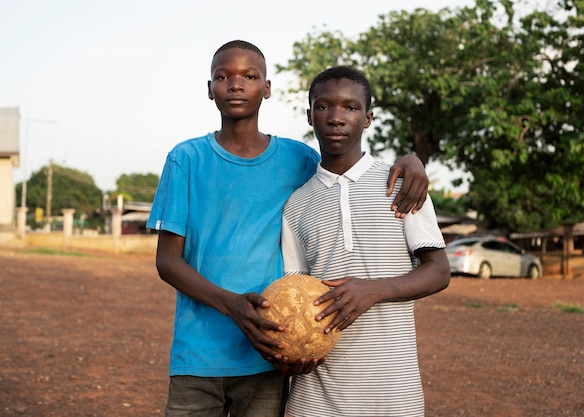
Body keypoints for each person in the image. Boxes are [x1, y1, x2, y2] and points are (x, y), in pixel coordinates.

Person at [146, 40, 431, 417]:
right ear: (209, 88)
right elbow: (167, 261)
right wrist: (233, 305)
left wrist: (411, 160)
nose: (235, 84)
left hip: (269, 354)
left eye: (249, 76)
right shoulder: (186, 158)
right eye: (223, 76)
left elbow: (343, 169)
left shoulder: (299, 159)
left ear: (267, 88)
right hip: (198, 354)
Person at [281, 66, 451, 417]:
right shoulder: (295, 205)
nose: (337, 117)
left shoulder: (403, 184)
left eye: (351, 107)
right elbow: (295, 292)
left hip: (392, 390)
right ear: (309, 115)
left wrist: (375, 289)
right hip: (316, 395)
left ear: (368, 118)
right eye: (324, 106)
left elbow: (438, 271)